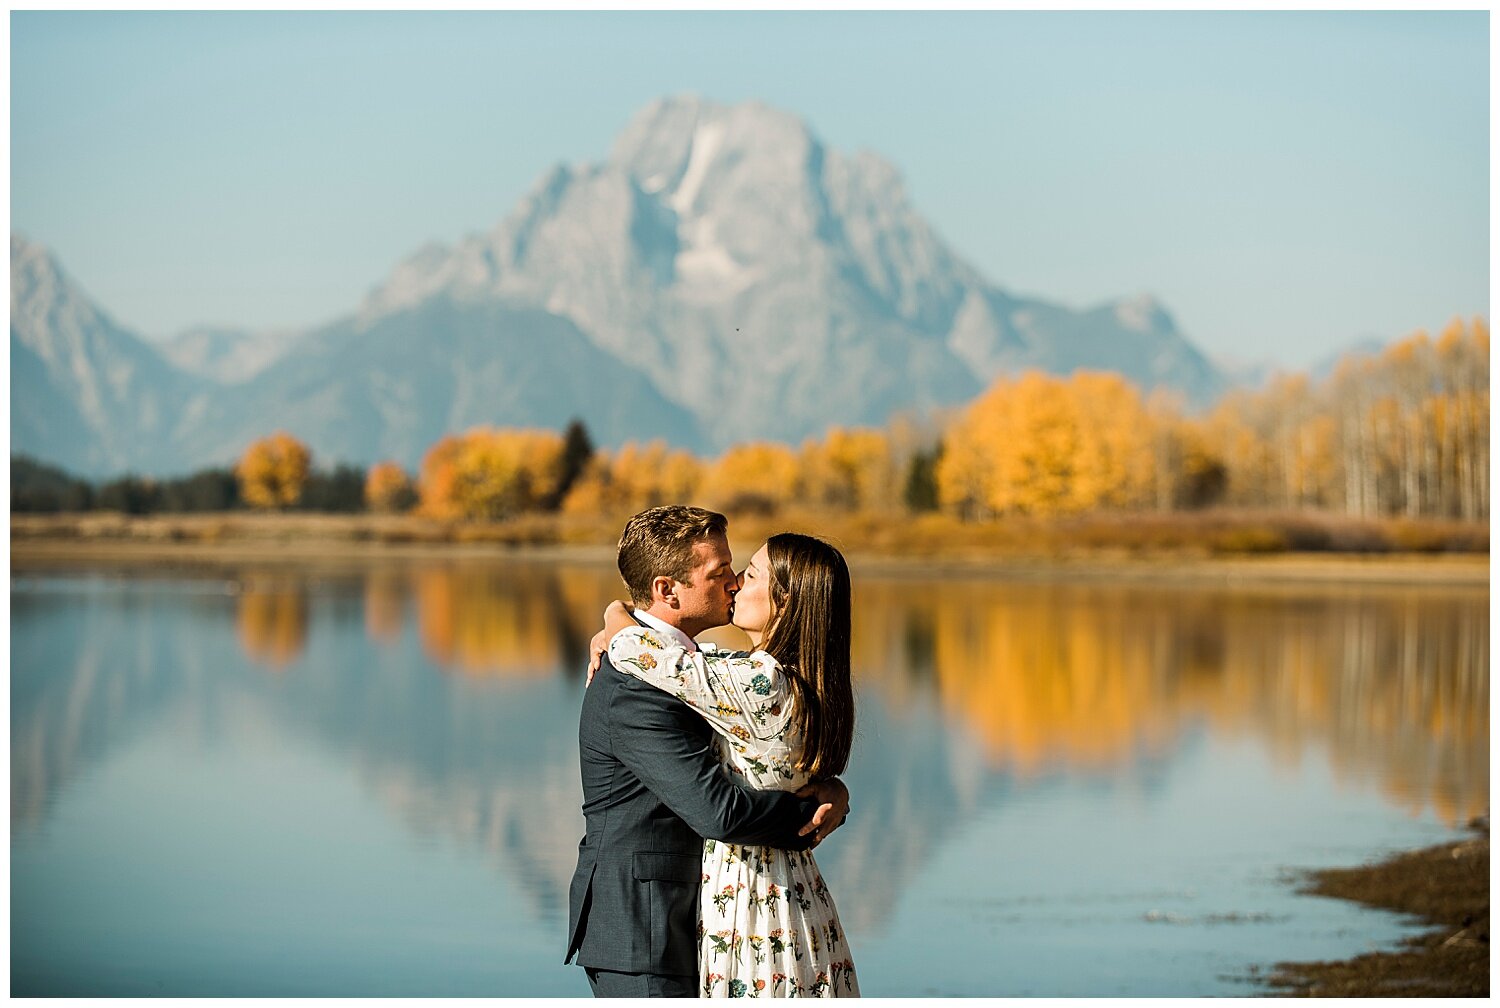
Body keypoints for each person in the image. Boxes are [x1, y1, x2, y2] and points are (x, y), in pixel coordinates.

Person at [566, 506, 850, 998]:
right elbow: (718, 811)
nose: (735, 583)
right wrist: (813, 808)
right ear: (666, 590)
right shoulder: (642, 688)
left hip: (722, 910)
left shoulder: (715, 675)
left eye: (742, 571)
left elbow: (647, 650)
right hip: (645, 929)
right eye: (721, 573)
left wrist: (618, 619)